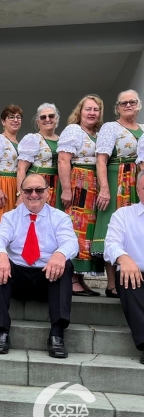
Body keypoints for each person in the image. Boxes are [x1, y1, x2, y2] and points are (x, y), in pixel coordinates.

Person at [0, 174, 78, 359]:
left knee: (65, 264)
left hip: (48, 276)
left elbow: (71, 242)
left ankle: (57, 334)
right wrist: (1, 254)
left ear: (48, 193)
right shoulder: (10, 217)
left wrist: (59, 255)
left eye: (39, 190)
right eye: (28, 190)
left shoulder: (60, 218)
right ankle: (1, 332)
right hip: (17, 276)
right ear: (21, 192)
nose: (33, 195)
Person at [92, 90, 144, 298]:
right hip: (116, 180)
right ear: (117, 107)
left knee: (135, 228)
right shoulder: (110, 127)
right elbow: (101, 159)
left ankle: (135, 278)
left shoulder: (143, 129)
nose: (128, 105)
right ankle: (112, 284)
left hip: (138, 181)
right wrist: (105, 188)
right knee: (111, 227)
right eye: (124, 103)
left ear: (139, 105)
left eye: (132, 102)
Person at [57, 95, 105, 295]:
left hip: (92, 185)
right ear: (80, 111)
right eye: (88, 109)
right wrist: (67, 189)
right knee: (77, 228)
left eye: (96, 110)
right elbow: (63, 160)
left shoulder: (97, 133)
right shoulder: (74, 130)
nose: (92, 113)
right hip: (79, 183)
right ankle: (72, 279)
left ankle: (80, 278)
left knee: (87, 230)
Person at [104, 170, 144, 365]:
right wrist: (123, 257)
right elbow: (111, 244)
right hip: (135, 273)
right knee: (128, 281)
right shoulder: (123, 215)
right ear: (137, 190)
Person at [0, 104, 22, 237]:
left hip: (17, 186)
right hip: (4, 184)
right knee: (1, 224)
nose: (15, 120)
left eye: (18, 117)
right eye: (11, 117)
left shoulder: (21, 143)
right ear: (3, 121)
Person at [17, 103, 60, 208]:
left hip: (57, 185)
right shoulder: (33, 139)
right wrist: (20, 194)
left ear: (56, 119)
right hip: (37, 187)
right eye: (43, 117)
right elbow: (21, 169)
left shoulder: (62, 140)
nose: (47, 119)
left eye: (51, 116)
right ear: (38, 122)